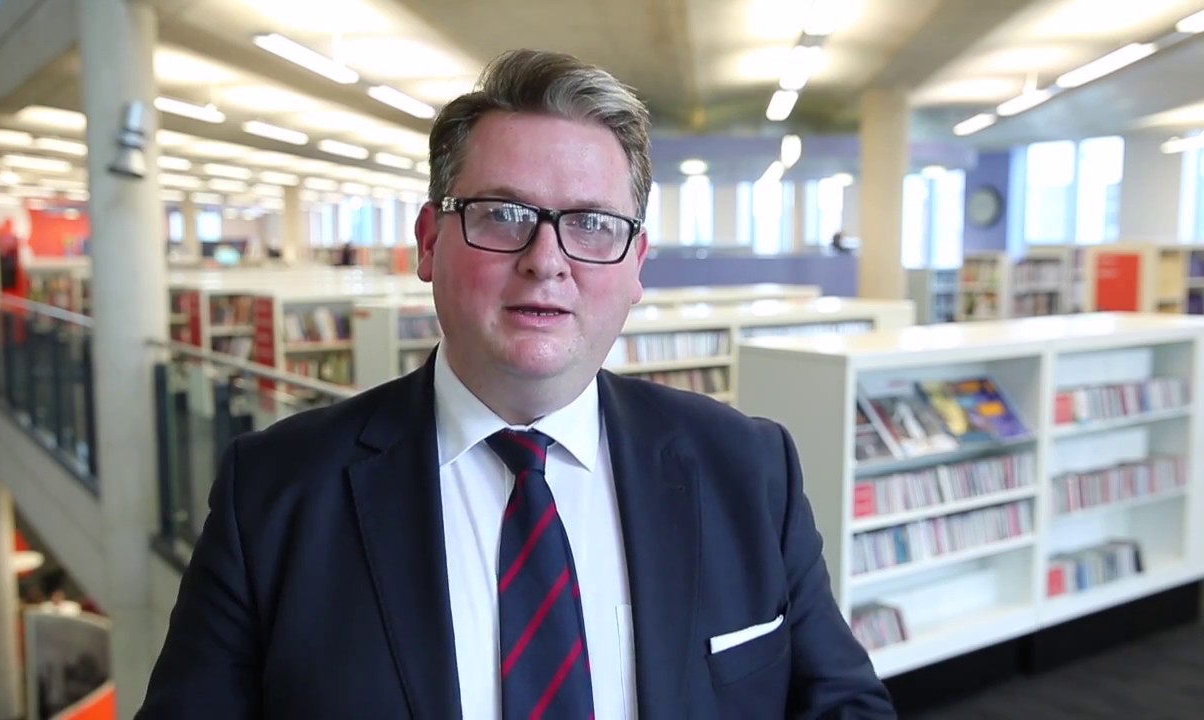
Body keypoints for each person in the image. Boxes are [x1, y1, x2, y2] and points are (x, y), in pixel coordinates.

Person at [137, 48, 895, 719]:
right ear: (430, 244)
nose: (547, 260)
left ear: (637, 266)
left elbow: (843, 704)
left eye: (593, 223)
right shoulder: (273, 494)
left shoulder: (748, 469)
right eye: (503, 214)